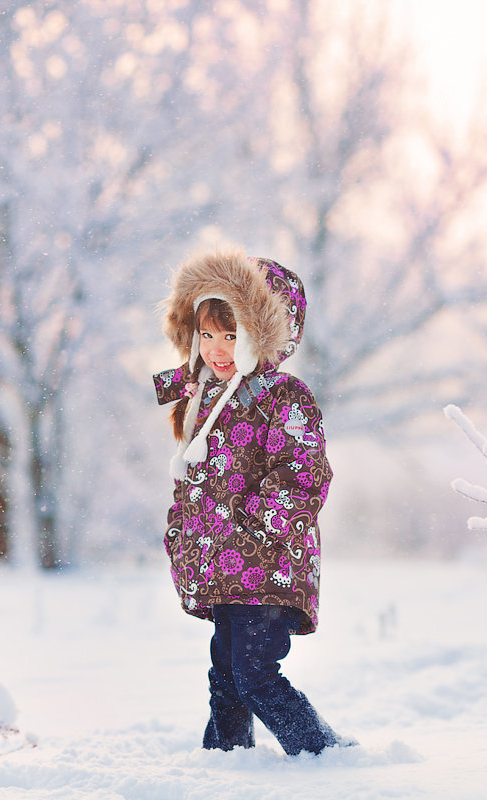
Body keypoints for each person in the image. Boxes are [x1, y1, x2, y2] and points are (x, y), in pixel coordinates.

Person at [153, 245, 344, 756]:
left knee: (255, 674)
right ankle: (225, 760)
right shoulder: (203, 399)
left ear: (262, 334)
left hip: (268, 561)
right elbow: (194, 482)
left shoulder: (281, 395)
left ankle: (323, 755)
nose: (216, 348)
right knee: (226, 674)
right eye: (208, 334)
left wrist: (256, 526)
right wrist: (182, 535)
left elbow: (304, 472)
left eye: (231, 335)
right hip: (224, 564)